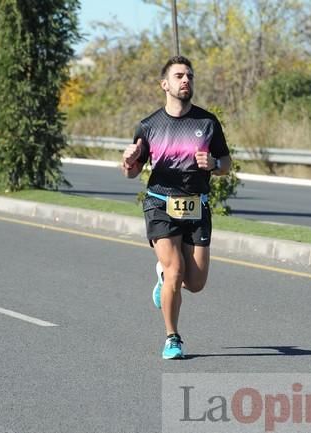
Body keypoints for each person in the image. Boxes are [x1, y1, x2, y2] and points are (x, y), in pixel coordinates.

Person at [121, 56, 232, 359]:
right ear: (165, 84)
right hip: (160, 203)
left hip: (197, 206)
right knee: (175, 271)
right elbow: (132, 171)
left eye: (190, 76)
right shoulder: (149, 126)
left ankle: (163, 278)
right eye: (179, 76)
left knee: (195, 283)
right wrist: (129, 161)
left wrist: (214, 164)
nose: (186, 81)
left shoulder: (207, 123)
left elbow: (226, 163)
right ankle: (173, 337)